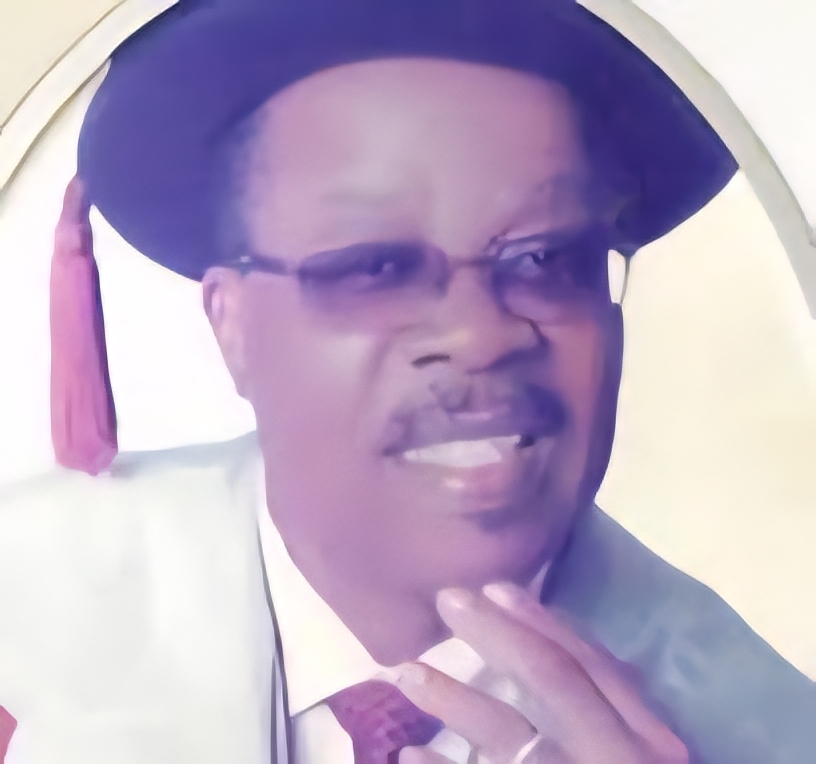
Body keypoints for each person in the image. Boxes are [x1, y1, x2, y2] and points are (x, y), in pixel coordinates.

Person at [0, 1, 814, 763]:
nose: (481, 336)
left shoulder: (765, 730)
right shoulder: (26, 615)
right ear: (232, 324)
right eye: (374, 268)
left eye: (547, 259)